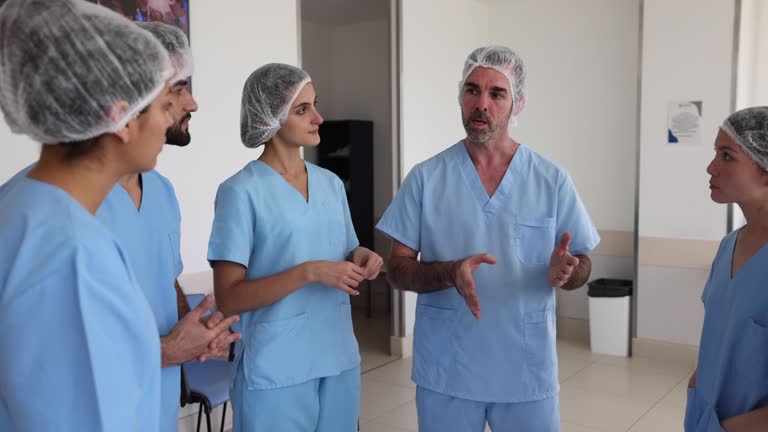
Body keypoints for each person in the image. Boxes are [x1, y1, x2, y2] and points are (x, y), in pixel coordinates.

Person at [376, 46, 600, 432]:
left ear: (518, 103)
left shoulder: (551, 180)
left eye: (497, 93)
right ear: (460, 97)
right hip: (448, 371)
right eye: (472, 90)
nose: (482, 104)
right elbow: (396, 271)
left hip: (525, 370)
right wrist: (450, 273)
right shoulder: (426, 178)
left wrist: (570, 270)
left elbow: (582, 263)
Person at [0, 0, 172, 429]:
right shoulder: (74, 255)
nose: (168, 122)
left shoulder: (19, 208)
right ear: (121, 120)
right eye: (161, 106)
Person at [207, 63, 383, 432]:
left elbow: (347, 249)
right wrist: (310, 272)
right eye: (302, 109)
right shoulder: (240, 192)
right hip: (276, 369)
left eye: (315, 104)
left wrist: (360, 256)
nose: (319, 117)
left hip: (337, 356)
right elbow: (228, 298)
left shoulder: (331, 184)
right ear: (269, 118)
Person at [97, 21, 240, 432]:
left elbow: (162, 278)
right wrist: (164, 350)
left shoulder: (160, 191)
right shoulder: (56, 207)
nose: (192, 104)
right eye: (178, 90)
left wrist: (192, 328)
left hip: (154, 405)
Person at [684, 107, 768, 432]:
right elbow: (721, 334)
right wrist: (696, 388)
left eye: (727, 156)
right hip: (704, 417)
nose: (710, 167)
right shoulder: (728, 246)